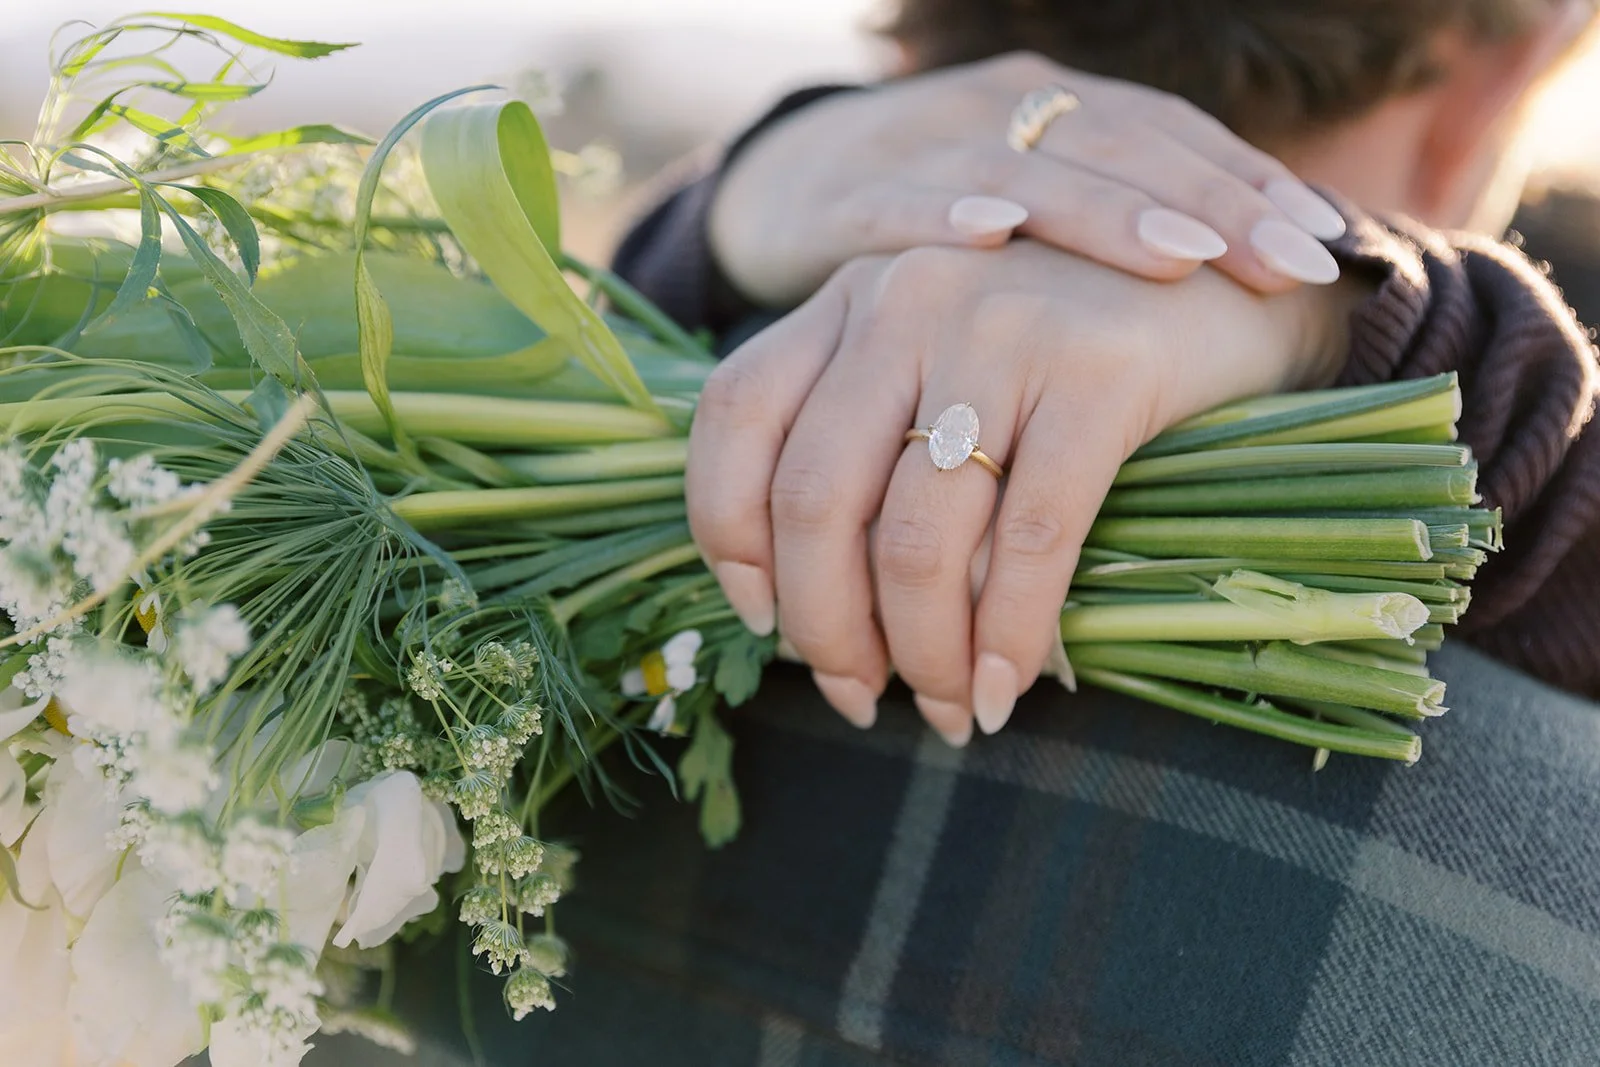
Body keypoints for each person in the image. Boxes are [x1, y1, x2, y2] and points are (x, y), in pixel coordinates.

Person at [303, 4, 1600, 1065]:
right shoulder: (1551, 889)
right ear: (1512, 74)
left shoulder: (339, 734)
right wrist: (1353, 320)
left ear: (905, 47)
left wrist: (721, 220)